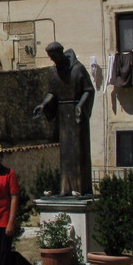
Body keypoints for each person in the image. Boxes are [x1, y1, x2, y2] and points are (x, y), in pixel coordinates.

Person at [33, 41, 95, 196]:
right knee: (65, 154)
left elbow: (88, 90)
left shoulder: (78, 68)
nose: (53, 60)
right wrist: (43, 105)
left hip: (76, 113)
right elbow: (52, 93)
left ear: (61, 53)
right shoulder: (54, 72)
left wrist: (80, 105)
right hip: (63, 113)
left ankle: (80, 188)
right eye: (50, 57)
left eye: (54, 56)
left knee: (78, 152)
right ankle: (65, 188)